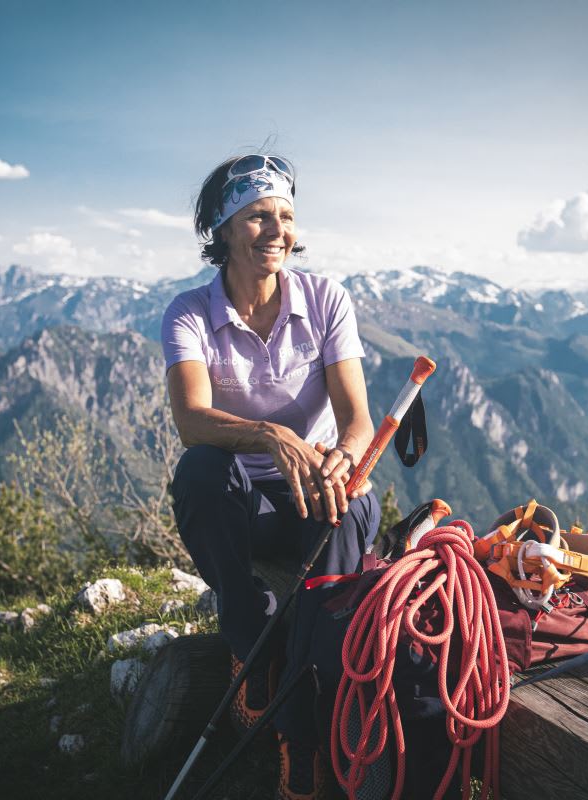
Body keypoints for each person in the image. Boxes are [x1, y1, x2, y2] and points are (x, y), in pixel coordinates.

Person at [162, 153, 379, 799]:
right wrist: (270, 435)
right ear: (223, 230)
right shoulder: (190, 312)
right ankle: (249, 634)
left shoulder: (325, 299)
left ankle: (309, 719)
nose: (277, 230)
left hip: (312, 494)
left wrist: (344, 456)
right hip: (237, 506)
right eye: (258, 216)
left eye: (285, 216)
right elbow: (192, 421)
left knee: (356, 509)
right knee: (202, 470)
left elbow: (359, 422)